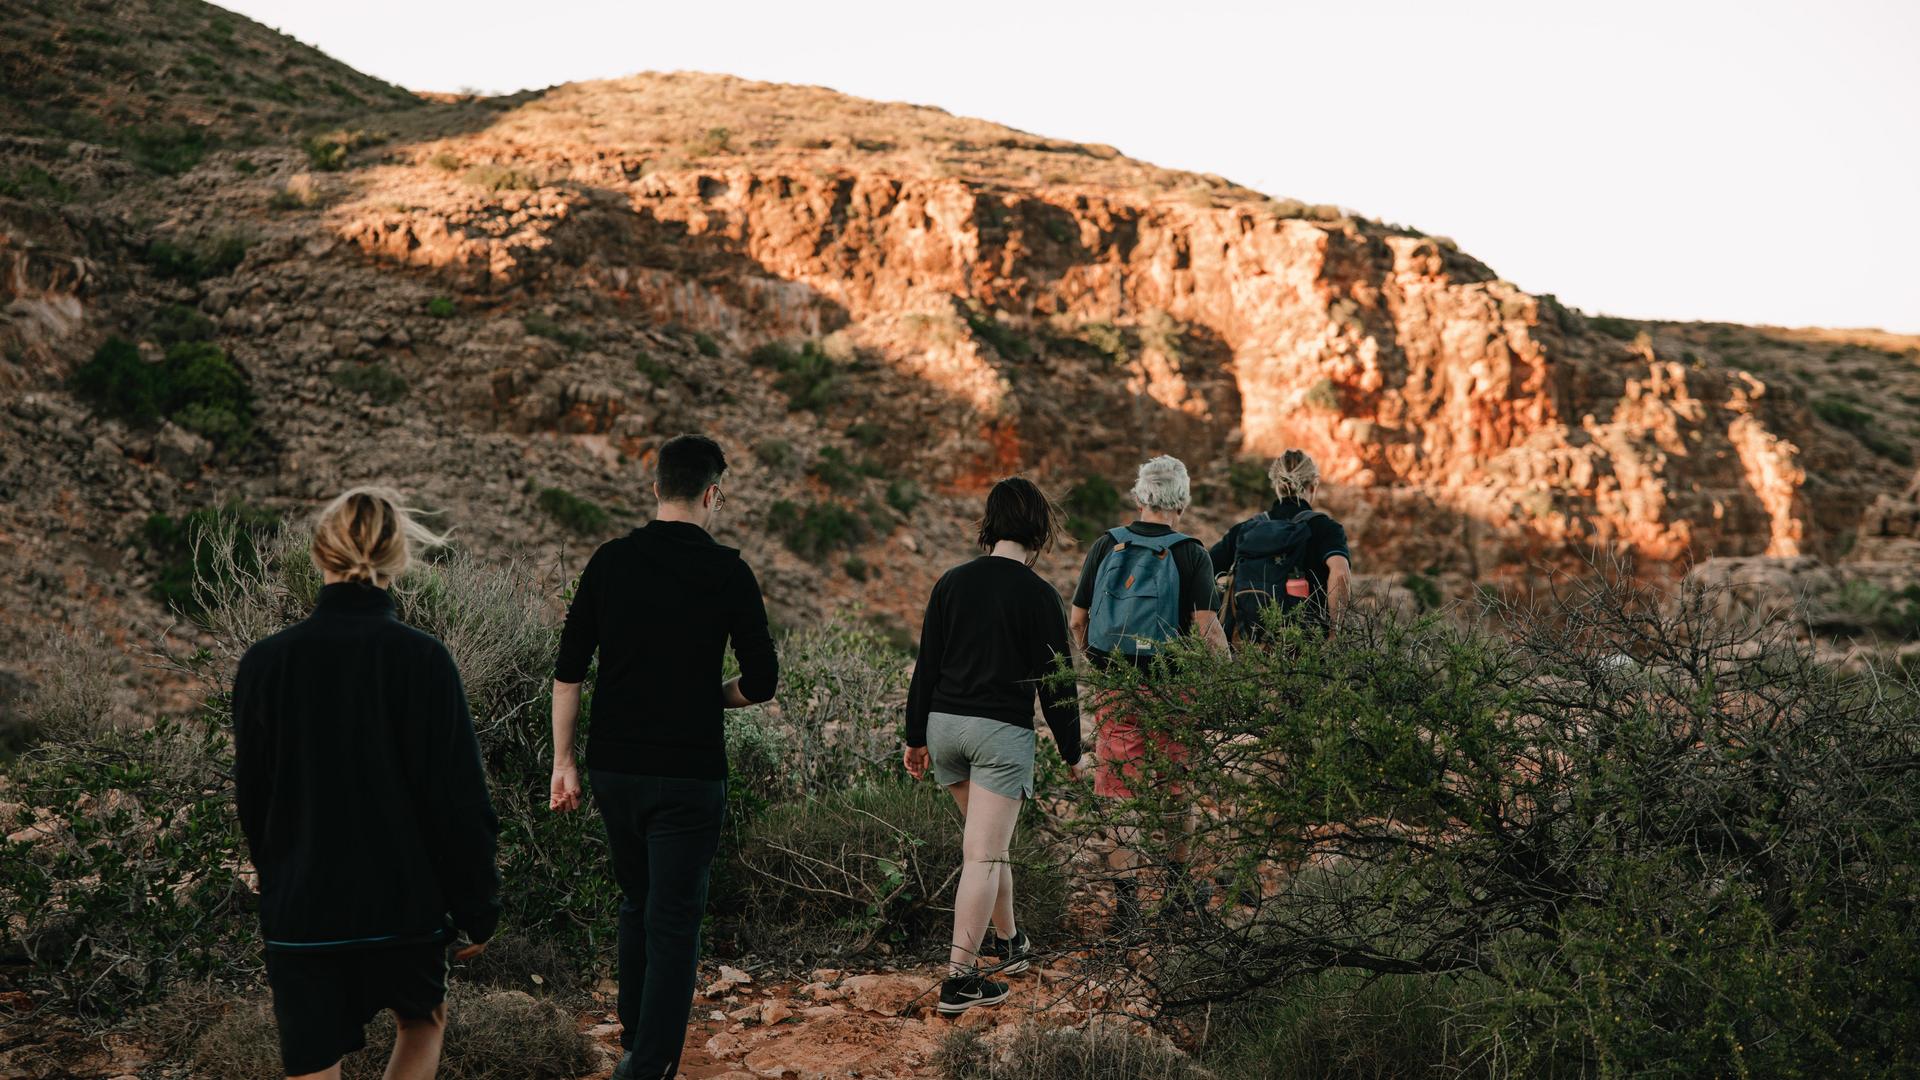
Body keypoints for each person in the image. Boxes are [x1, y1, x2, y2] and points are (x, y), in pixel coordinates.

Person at [232, 487, 500, 1080]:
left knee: (314, 1060)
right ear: (397, 556)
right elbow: (458, 801)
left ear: (320, 555)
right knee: (423, 1022)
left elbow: (254, 799)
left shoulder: (265, 663)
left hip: (303, 909)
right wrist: (478, 907)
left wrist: (280, 886)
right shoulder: (423, 659)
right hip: (402, 906)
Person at [548, 433, 778, 1080]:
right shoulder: (728, 569)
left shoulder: (609, 561)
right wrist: (713, 700)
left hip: (614, 767)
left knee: (636, 901)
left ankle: (636, 1036)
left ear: (656, 489)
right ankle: (647, 1064)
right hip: (690, 771)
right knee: (673, 919)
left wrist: (562, 761)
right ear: (713, 494)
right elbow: (762, 680)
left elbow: (568, 673)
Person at [903, 477, 1083, 1016]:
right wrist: (1072, 752)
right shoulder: (1040, 595)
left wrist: (915, 738)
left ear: (991, 524)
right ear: (1039, 530)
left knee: (990, 844)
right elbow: (1057, 684)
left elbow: (926, 666)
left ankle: (1010, 945)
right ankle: (960, 980)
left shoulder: (952, 582)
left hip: (945, 728)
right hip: (999, 734)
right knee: (984, 852)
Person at [1068, 456, 1224, 922]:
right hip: (1174, 691)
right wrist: (1231, 684)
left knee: (1120, 796)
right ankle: (1177, 897)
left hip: (1117, 686)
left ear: (1139, 497)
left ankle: (1127, 908)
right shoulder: (1192, 553)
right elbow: (1207, 632)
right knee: (1177, 791)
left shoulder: (1105, 546)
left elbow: (1078, 620)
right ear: (1183, 500)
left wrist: (1098, 666)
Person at [1210, 449, 1351, 639]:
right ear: (1313, 485)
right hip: (1308, 648)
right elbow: (1340, 574)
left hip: (1250, 648)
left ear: (1276, 485)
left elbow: (1206, 570)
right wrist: (1336, 634)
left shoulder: (1245, 529)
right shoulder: (1325, 528)